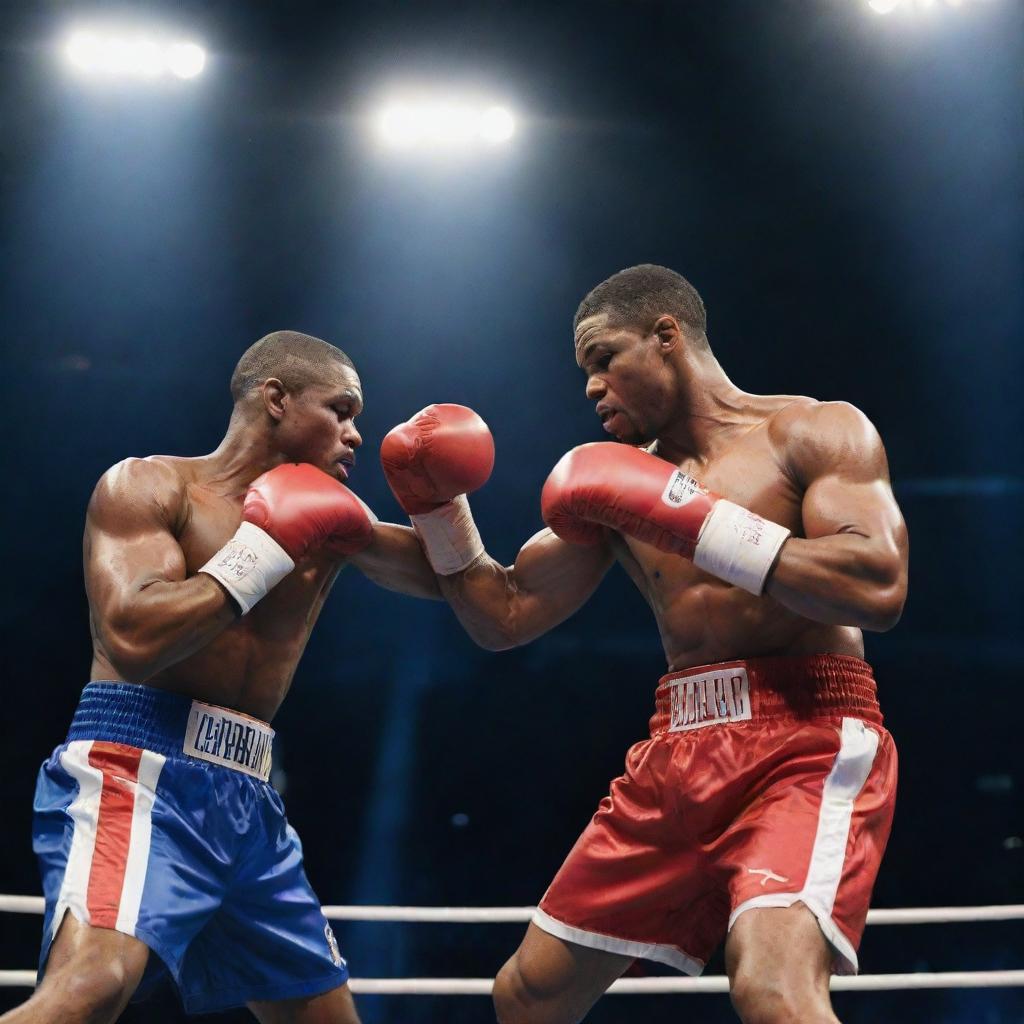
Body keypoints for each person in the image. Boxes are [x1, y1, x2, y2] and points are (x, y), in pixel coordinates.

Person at [380, 265, 909, 1024]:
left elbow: (877, 587)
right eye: (584, 372)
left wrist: (694, 519)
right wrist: (437, 511)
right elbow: (505, 615)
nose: (593, 387)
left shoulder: (814, 430)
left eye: (604, 358)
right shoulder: (619, 485)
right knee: (528, 995)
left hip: (807, 737)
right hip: (678, 747)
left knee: (772, 988)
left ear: (667, 336)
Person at [6, 331, 442, 1024]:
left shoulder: (333, 523)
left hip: (248, 797)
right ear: (276, 398)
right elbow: (134, 636)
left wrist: (439, 502)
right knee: (90, 989)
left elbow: (479, 597)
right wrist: (261, 551)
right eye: (342, 409)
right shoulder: (151, 486)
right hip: (139, 770)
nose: (357, 435)